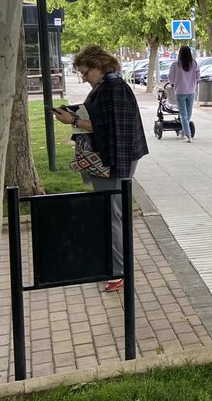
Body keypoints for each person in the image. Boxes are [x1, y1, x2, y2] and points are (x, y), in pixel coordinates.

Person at [53, 44, 148, 292]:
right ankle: (116, 266)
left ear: (98, 66)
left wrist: (72, 119)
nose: (84, 78)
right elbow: (103, 119)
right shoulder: (110, 86)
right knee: (112, 211)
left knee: (111, 212)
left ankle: (118, 270)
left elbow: (107, 127)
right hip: (114, 157)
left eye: (86, 72)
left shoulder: (112, 88)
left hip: (113, 159)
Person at [167, 45, 199, 143]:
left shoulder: (175, 65)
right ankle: (185, 132)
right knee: (188, 114)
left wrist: (173, 84)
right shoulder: (194, 64)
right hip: (191, 91)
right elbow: (198, 77)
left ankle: (187, 134)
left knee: (183, 115)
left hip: (179, 92)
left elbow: (171, 79)